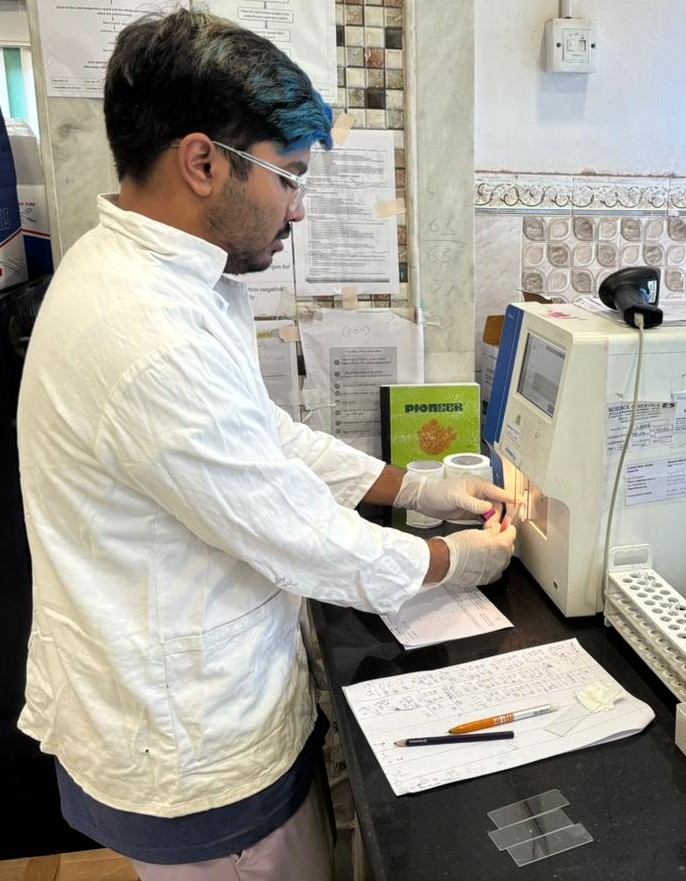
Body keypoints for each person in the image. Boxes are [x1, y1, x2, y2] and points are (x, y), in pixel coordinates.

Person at [15, 10, 516, 880]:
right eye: (289, 177)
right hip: (192, 742)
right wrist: (454, 563)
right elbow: (295, 534)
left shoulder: (164, 276)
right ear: (203, 163)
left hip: (188, 694)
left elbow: (259, 435)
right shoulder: (145, 330)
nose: (300, 208)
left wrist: (414, 487)